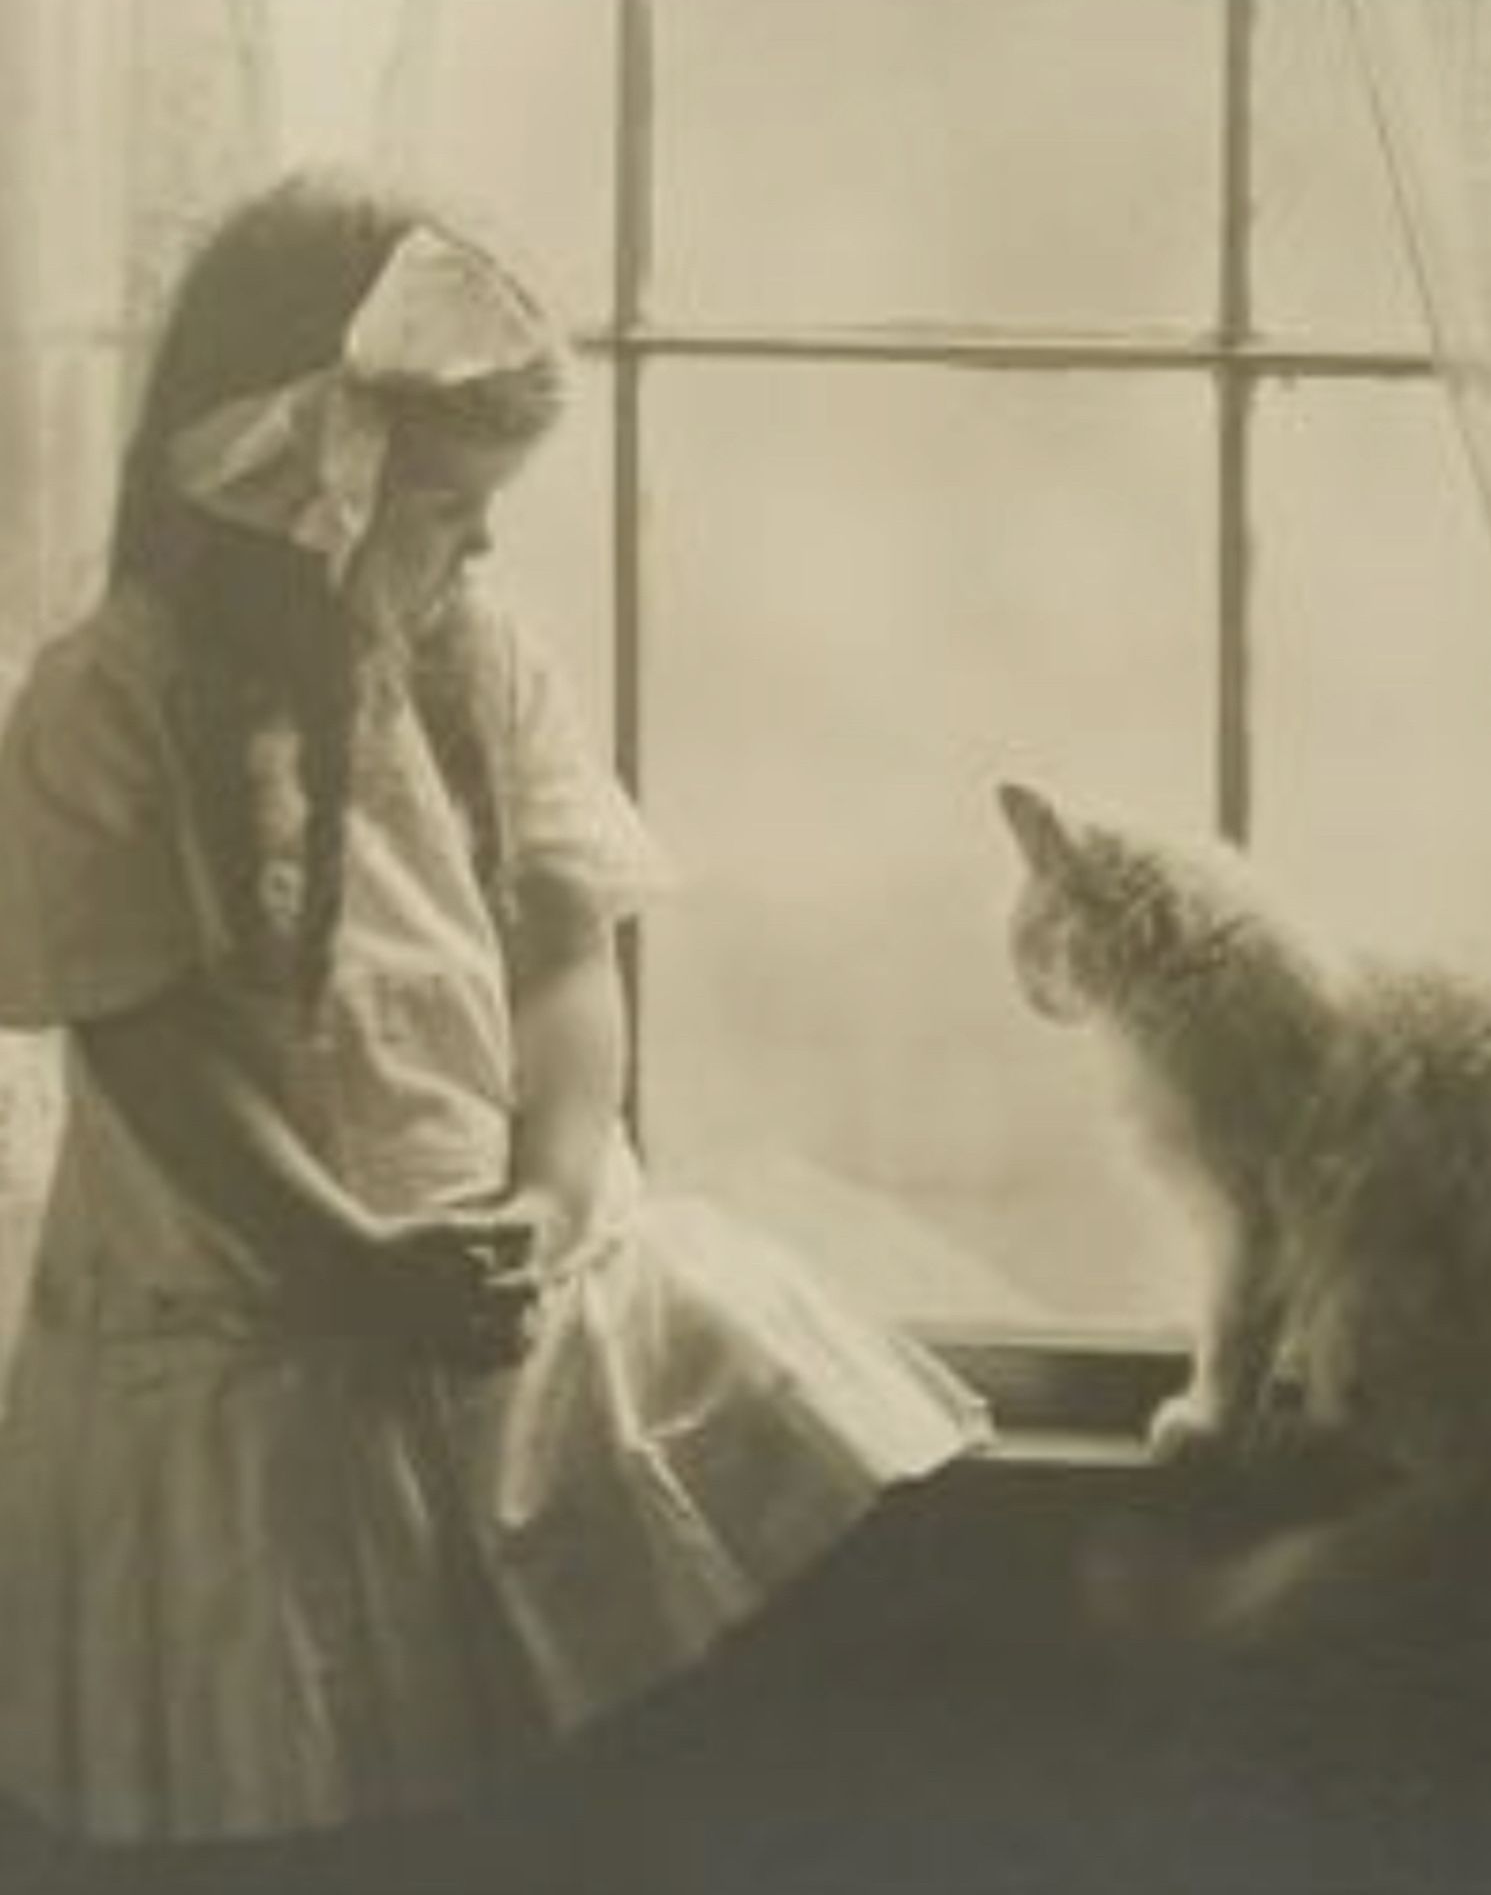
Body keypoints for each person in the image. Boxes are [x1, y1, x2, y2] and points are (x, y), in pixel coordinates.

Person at [0, 168, 987, 1864]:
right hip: (263, 1309)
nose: (479, 546)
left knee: (748, 1563)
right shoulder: (115, 699)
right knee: (327, 1772)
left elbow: (561, 953)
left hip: (506, 1278)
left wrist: (547, 1185)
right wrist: (338, 1257)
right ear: (302, 478)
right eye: (448, 504)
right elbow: (141, 1034)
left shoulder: (474, 658)